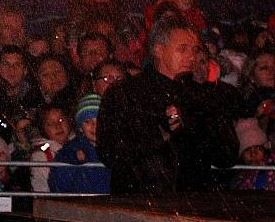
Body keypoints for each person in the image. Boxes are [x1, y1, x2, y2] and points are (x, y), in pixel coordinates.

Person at [98, 15, 238, 194]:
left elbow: (228, 155)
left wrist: (194, 127)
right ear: (158, 50)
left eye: (195, 50)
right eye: (183, 49)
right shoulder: (125, 93)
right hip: (139, 204)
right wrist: (159, 136)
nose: (191, 57)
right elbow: (110, 151)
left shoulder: (203, 96)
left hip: (192, 206)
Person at [48, 94, 111, 194]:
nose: (94, 126)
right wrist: (74, 159)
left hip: (110, 204)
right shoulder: (71, 149)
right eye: (87, 122)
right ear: (81, 127)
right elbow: (57, 184)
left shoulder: (115, 147)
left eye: (98, 120)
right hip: (82, 204)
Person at [29, 105, 73, 192]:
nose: (58, 126)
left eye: (61, 120)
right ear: (43, 129)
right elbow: (41, 188)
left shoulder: (79, 145)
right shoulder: (41, 155)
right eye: (50, 124)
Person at [230, 118, 275, 191]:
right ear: (241, 155)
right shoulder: (239, 179)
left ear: (264, 151)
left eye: (257, 148)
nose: (253, 154)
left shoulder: (271, 166)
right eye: (248, 150)